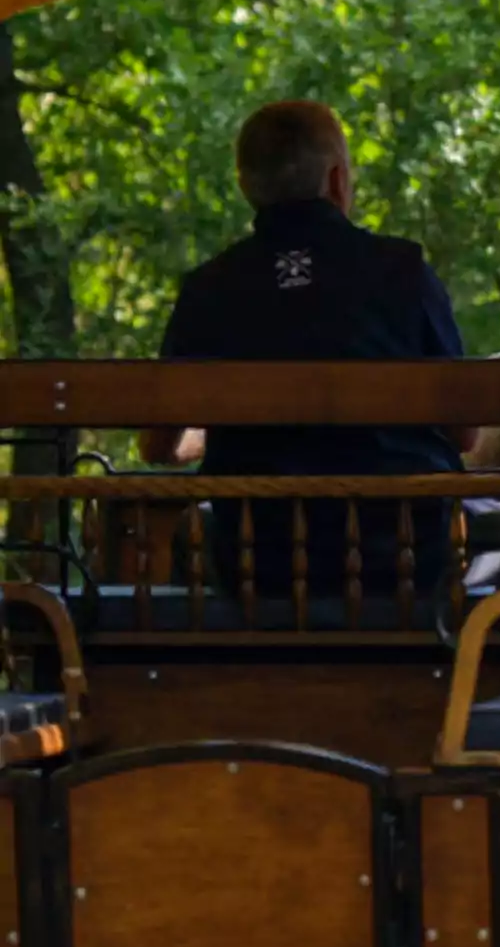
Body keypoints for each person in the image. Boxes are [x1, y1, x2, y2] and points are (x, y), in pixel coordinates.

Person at [141, 101, 478, 597]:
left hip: (259, 571)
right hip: (404, 566)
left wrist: (208, 439)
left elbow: (156, 447)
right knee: (489, 525)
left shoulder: (208, 289)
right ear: (338, 180)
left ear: (246, 188)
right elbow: (465, 434)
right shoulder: (403, 271)